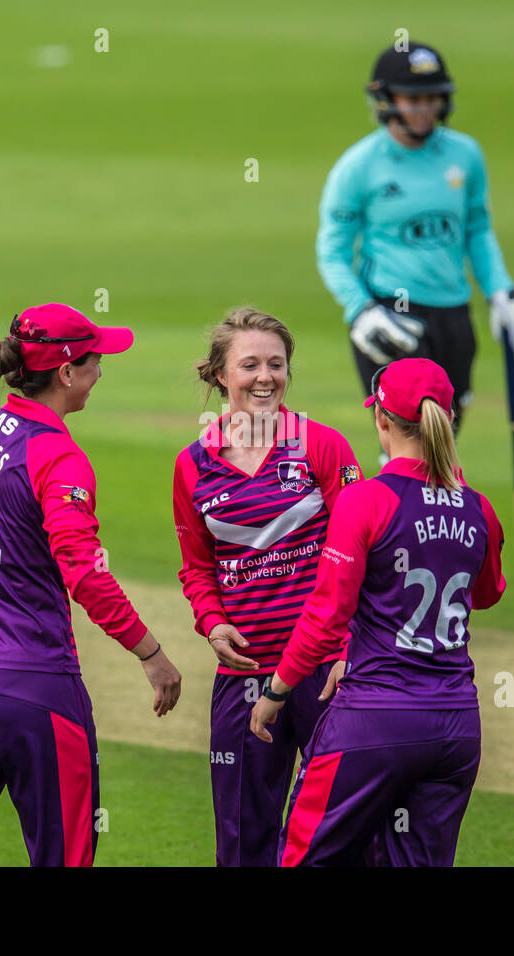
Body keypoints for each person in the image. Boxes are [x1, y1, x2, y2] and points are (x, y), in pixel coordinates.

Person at [0, 303, 182, 868]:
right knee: (65, 856)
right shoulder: (59, 457)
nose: (100, 372)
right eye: (94, 362)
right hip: (33, 687)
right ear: (66, 373)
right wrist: (151, 653)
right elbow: (84, 572)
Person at [250, 358, 505, 867]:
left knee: (304, 857)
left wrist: (276, 691)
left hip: (374, 721)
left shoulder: (366, 500)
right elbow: (486, 593)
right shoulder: (478, 507)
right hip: (455, 728)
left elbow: (326, 616)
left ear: (382, 420)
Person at [172, 306, 363, 867]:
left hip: (325, 672)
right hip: (245, 675)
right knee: (241, 839)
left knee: (339, 835)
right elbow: (196, 568)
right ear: (220, 376)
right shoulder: (193, 466)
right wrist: (211, 621)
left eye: (276, 365)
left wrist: (352, 649)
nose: (265, 377)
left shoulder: (323, 447)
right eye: (249, 365)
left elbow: (365, 559)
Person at [316, 40, 514, 448]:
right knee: (407, 452)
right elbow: (332, 252)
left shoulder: (465, 155)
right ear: (386, 100)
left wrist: (500, 292)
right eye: (413, 98)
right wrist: (361, 311)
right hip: (392, 318)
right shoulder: (358, 167)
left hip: (454, 313)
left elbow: (476, 229)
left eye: (432, 98)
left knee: (445, 444)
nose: (424, 109)